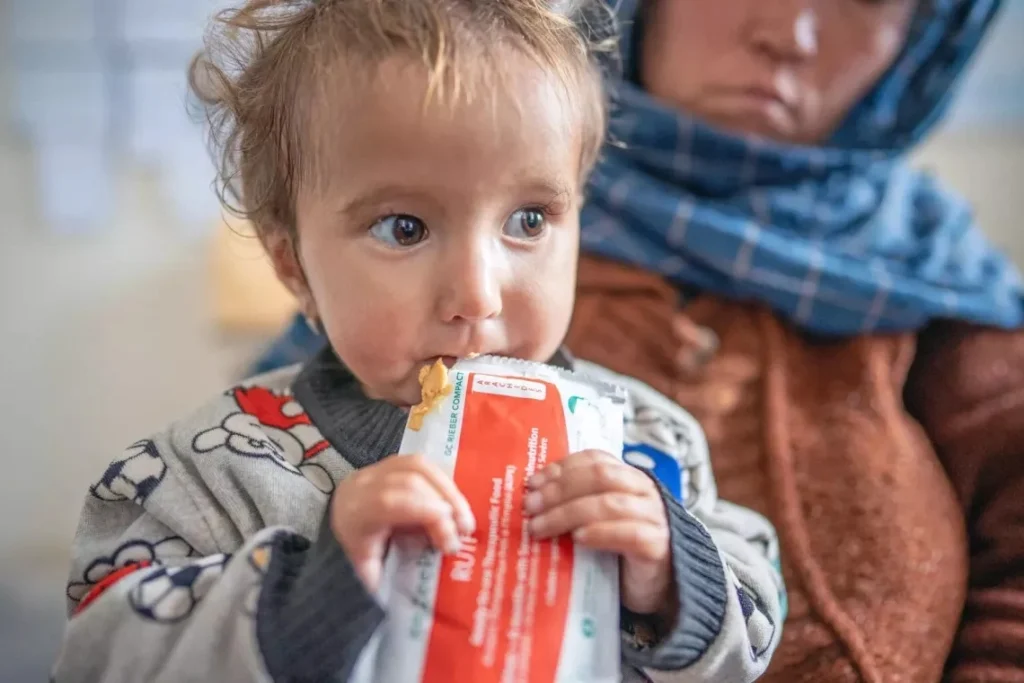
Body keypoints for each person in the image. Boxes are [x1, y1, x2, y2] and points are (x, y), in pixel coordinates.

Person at [258, 0, 1024, 681]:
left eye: (863, 0)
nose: (787, 32)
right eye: (406, 229)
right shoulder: (444, 210)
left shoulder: (936, 277)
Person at [51, 2, 785, 682]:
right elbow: (101, 650)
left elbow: (756, 618)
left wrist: (669, 578)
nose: (478, 294)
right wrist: (310, 597)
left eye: (529, 220)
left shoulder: (647, 441)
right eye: (404, 227)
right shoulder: (209, 472)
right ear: (294, 267)